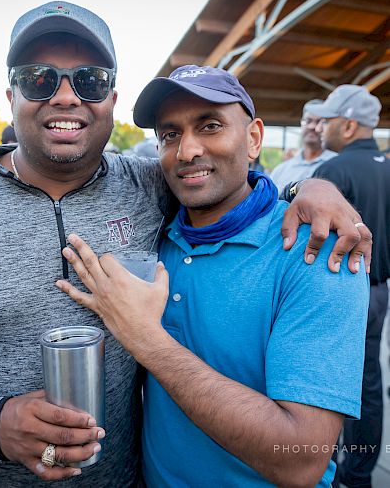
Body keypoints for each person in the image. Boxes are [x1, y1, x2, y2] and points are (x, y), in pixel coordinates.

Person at [0, 1, 371, 488]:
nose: (66, 97)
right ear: (10, 95)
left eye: (89, 80)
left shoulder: (148, 186)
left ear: (111, 99)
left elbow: (228, 183)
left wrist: (313, 190)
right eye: (39, 79)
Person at [55, 66, 370, 487]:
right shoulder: (156, 232)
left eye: (210, 125)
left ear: (254, 139)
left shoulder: (318, 251)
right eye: (170, 134)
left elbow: (300, 460)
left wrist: (146, 338)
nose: (186, 151)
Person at [309, 84, 390, 488]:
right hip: (380, 292)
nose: (321, 127)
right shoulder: (387, 166)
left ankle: (335, 470)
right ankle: (360, 473)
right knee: (368, 381)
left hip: (342, 290)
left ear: (349, 124)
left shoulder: (333, 172)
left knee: (332, 383)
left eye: (328, 120)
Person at [270, 99, 337, 192]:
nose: (312, 126)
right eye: (308, 121)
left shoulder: (337, 165)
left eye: (319, 121)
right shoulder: (280, 170)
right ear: (301, 123)